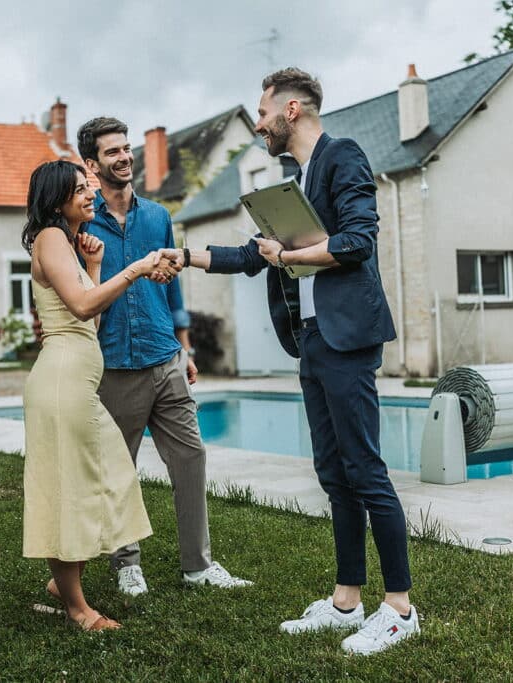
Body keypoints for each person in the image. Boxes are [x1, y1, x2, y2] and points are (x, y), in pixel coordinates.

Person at [161, 68, 419, 655]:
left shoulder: (342, 156)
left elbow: (358, 240)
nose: (257, 123)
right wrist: (181, 255)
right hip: (311, 339)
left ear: (293, 110)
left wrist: (291, 252)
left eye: (263, 112)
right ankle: (347, 601)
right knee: (334, 473)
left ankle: (400, 609)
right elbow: (252, 257)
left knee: (366, 470)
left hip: (347, 337)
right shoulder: (293, 181)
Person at [76, 116, 252, 595]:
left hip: (165, 356)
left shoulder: (157, 217)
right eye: (112, 151)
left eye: (126, 148)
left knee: (191, 457)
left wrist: (186, 346)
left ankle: (198, 565)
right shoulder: (81, 224)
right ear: (92, 164)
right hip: (113, 364)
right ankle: (126, 562)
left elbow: (172, 282)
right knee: (119, 468)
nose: (124, 157)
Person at [21, 159, 172, 631]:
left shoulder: (67, 245)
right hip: (62, 383)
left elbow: (91, 320)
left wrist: (95, 264)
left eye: (90, 188)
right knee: (70, 489)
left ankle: (61, 582)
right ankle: (77, 608)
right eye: (81, 189)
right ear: (56, 198)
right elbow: (84, 304)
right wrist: (137, 268)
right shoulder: (49, 238)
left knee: (102, 478)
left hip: (76, 379)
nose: (91, 194)